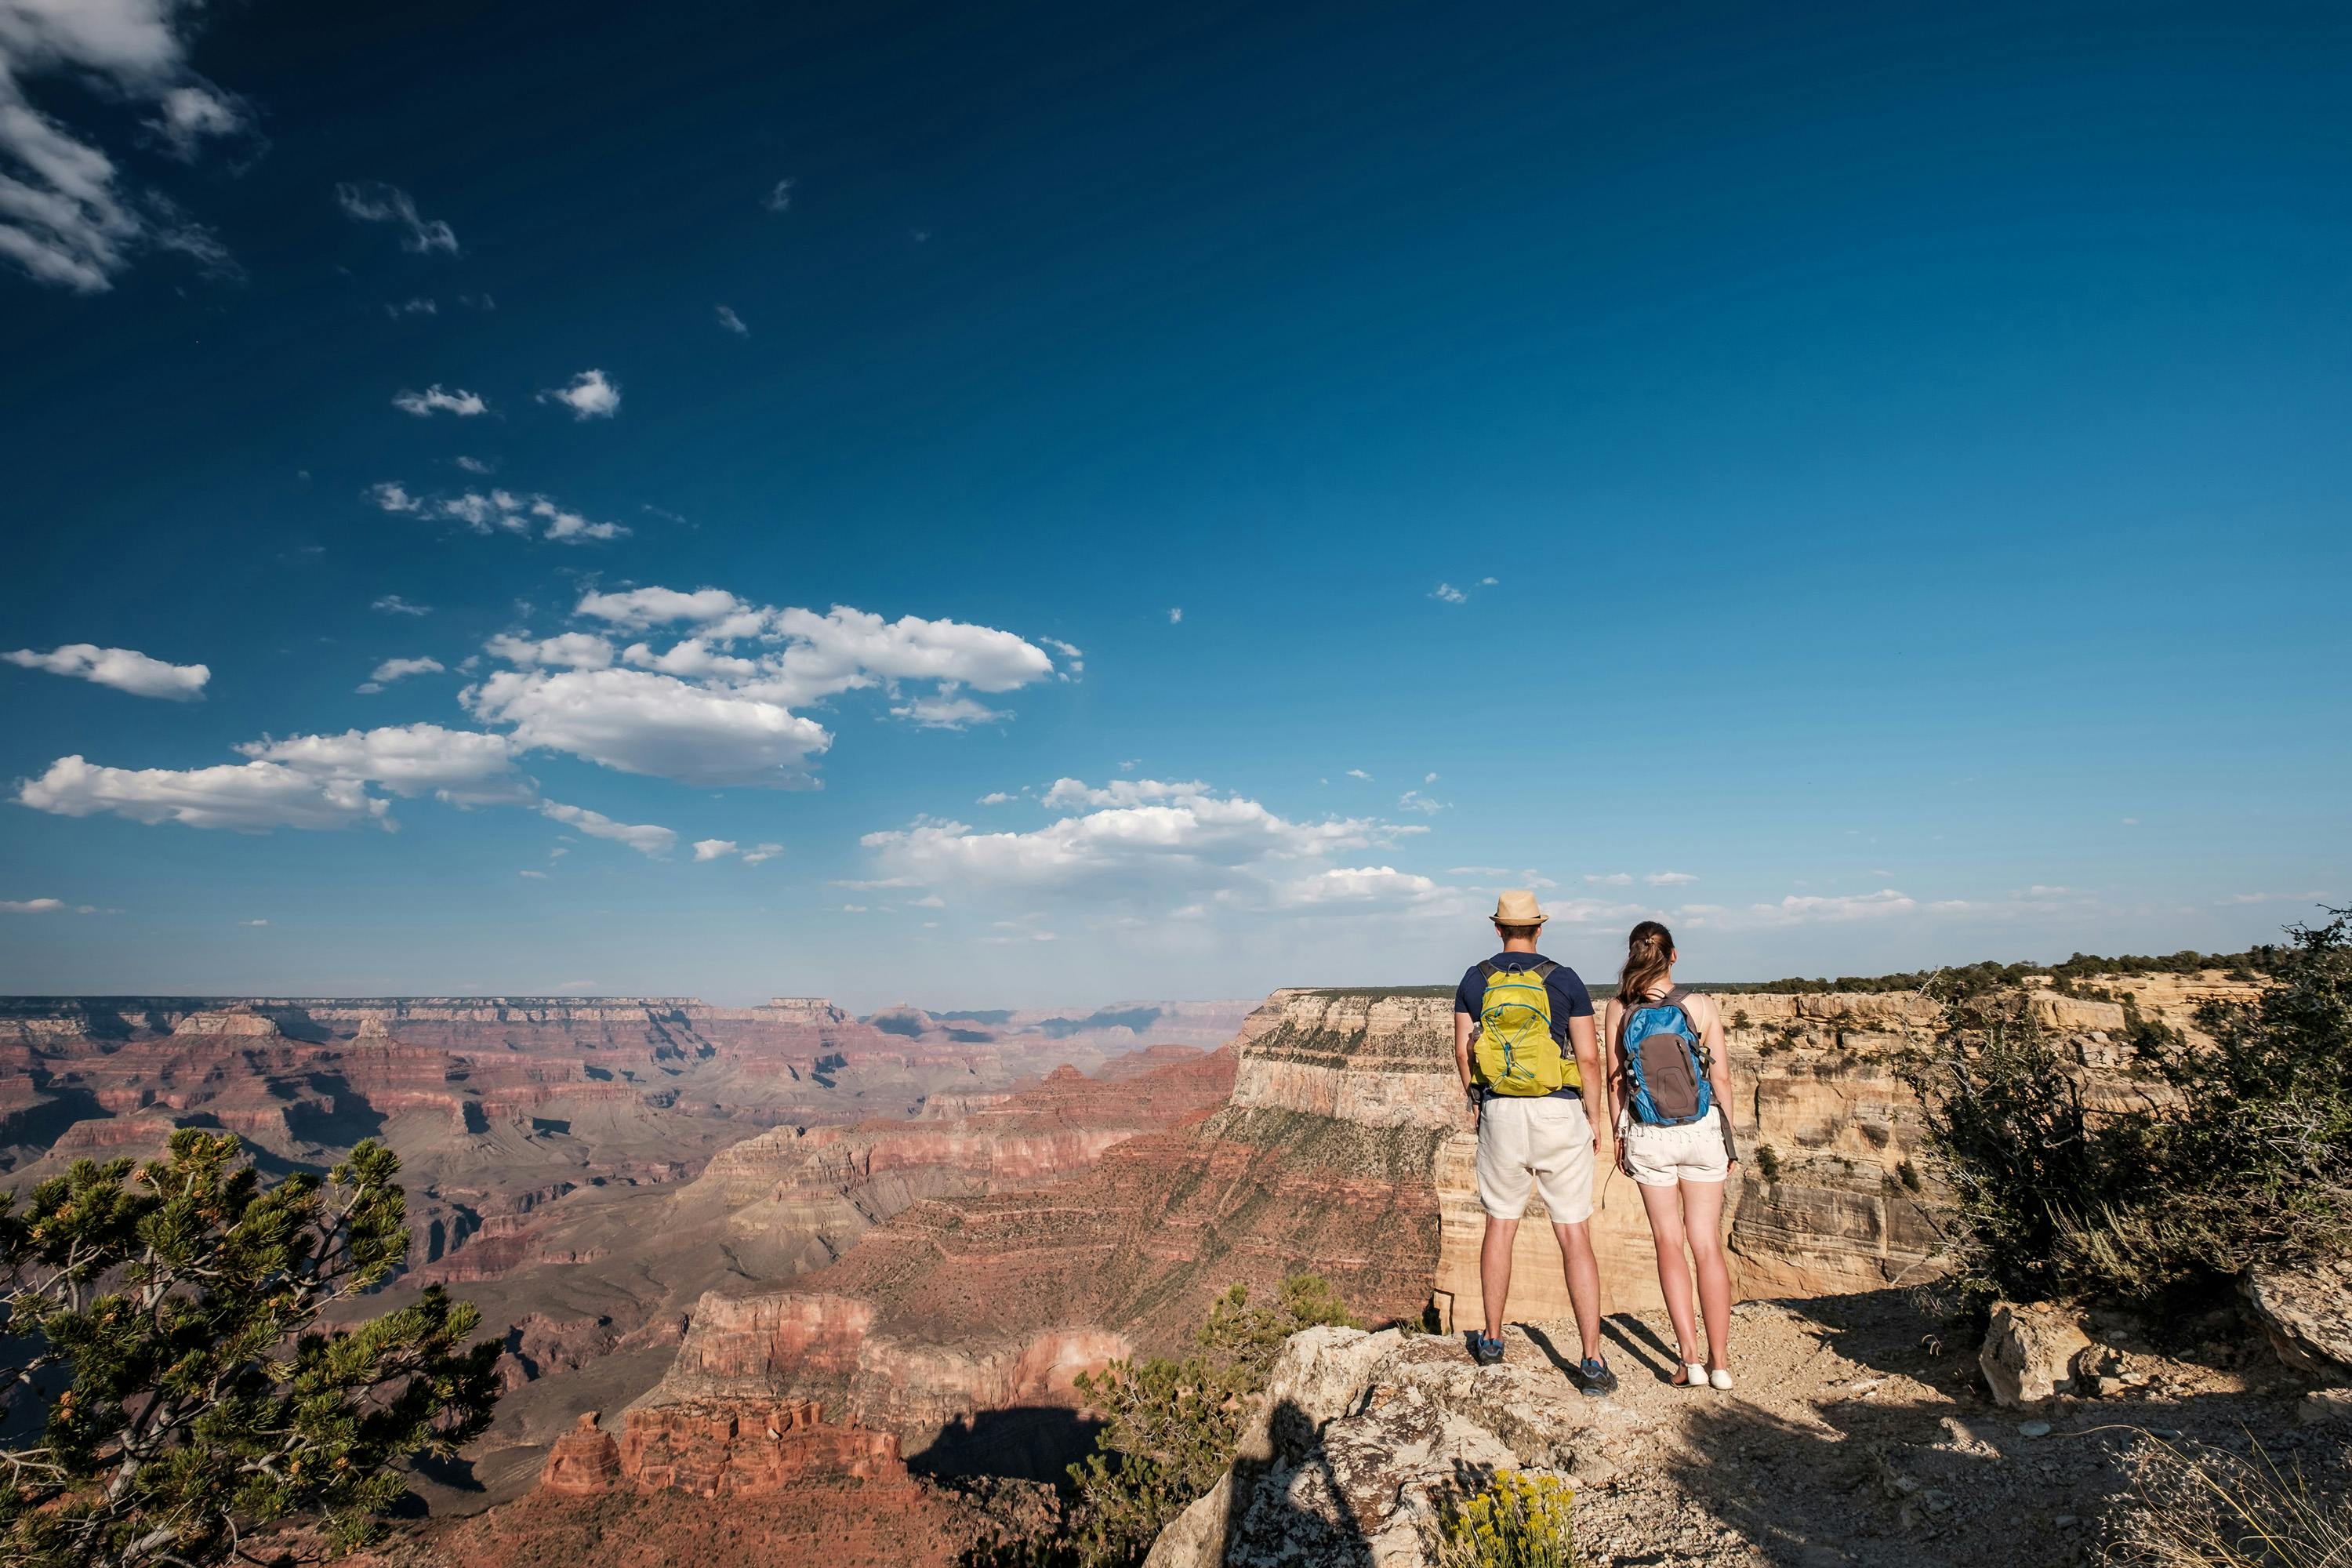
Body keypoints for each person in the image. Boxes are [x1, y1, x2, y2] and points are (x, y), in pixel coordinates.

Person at [1453, 891, 1617, 1395]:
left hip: (1501, 1111)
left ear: (1498, 929)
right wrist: (1593, 1118)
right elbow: (1589, 1058)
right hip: (1558, 1109)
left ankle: (1494, 1341)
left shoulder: (1475, 979)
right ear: (1539, 929)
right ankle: (1590, 1363)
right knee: (1573, 1235)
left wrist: (1478, 1100)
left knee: (1500, 1227)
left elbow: (1464, 1050)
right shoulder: (1564, 978)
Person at [1603, 920, 1738, 1390]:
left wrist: (1620, 1135)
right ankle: (1721, 1365)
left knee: (1669, 1244)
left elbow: (1616, 1079)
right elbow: (1719, 1079)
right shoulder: (1700, 1005)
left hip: (1650, 1135)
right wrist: (1729, 1137)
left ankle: (1691, 1360)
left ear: (1633, 954)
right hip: (1702, 1130)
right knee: (1707, 1245)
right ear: (1673, 956)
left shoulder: (1619, 1008)